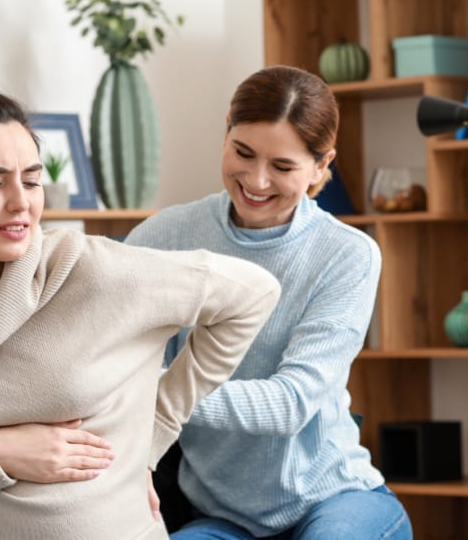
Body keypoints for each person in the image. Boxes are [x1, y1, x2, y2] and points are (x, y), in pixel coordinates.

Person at [0, 87, 281, 540]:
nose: (20, 203)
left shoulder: (90, 270)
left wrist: (154, 433)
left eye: (31, 180)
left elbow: (252, 293)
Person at [125, 65, 413, 540]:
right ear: (226, 135)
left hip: (333, 498)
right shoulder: (161, 238)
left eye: (282, 167)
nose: (256, 181)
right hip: (220, 516)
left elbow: (291, 403)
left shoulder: (347, 255)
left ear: (321, 166)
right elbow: (109, 351)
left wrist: (143, 391)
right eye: (243, 153)